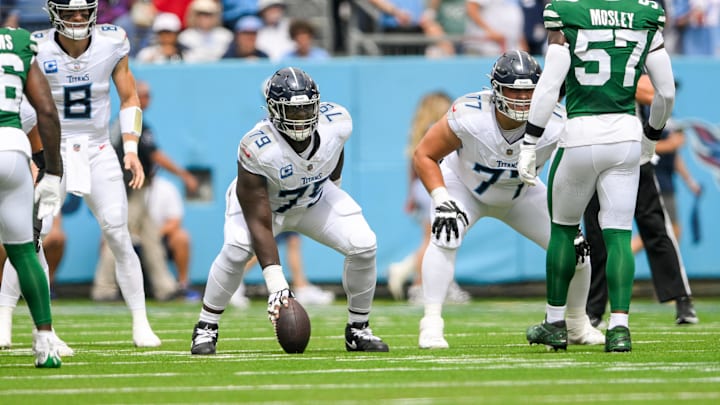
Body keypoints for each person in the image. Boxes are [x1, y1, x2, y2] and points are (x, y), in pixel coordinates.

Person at [190, 67, 389, 355]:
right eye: (292, 112)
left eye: (307, 109)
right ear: (273, 110)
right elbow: (258, 221)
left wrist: (334, 187)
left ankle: (358, 330)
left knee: (364, 244)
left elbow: (334, 150)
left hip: (312, 198)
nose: (302, 118)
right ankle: (206, 327)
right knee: (236, 247)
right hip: (262, 207)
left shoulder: (338, 122)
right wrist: (276, 284)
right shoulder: (257, 147)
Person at [413, 50, 602, 349]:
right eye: (514, 89)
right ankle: (432, 324)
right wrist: (440, 199)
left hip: (522, 193)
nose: (522, 98)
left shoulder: (556, 121)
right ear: (495, 89)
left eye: (529, 91)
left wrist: (568, 217)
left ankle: (578, 323)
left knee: (576, 250)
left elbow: (572, 171)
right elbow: (424, 154)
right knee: (445, 232)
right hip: (465, 188)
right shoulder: (469, 114)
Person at [2, 0, 163, 348]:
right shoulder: (37, 46)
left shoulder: (112, 41)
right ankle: (5, 322)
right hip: (52, 149)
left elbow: (130, 97)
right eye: (70, 11)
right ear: (54, 12)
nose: (77, 18)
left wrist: (132, 149)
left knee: (118, 232)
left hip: (98, 147)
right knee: (29, 238)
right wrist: (35, 155)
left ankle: (141, 322)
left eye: (82, 11)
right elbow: (28, 110)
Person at [519, 0, 675, 352]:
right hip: (625, 133)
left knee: (562, 228)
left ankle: (555, 323)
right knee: (619, 234)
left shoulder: (566, 11)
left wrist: (529, 142)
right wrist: (652, 135)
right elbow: (665, 92)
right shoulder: (645, 12)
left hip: (580, 132)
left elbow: (548, 86)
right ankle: (619, 328)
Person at [584, 75, 698, 327]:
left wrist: (609, 79)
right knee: (595, 235)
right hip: (592, 153)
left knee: (656, 228)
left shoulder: (630, 47)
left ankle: (681, 298)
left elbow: (652, 92)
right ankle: (593, 309)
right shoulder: (578, 47)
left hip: (632, 155)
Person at [92, 80, 199, 302]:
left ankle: (164, 287)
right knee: (118, 235)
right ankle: (104, 288)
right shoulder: (135, 125)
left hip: (134, 187)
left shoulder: (120, 122)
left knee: (150, 236)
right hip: (129, 188)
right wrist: (183, 174)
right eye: (144, 95)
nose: (148, 100)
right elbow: (154, 155)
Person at [0, 25, 64, 367]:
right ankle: (45, 342)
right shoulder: (19, 42)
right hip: (12, 149)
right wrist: (53, 170)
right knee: (24, 251)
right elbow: (47, 110)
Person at [386, 91, 471, 305]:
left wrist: (411, 194)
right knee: (434, 238)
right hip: (434, 185)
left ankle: (427, 281)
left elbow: (413, 162)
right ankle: (419, 283)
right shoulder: (439, 128)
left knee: (437, 237)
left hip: (421, 186)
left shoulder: (419, 130)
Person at [231, 232, 335, 308]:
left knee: (293, 241)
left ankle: (301, 288)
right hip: (275, 207)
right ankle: (233, 281)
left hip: (288, 207)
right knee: (266, 245)